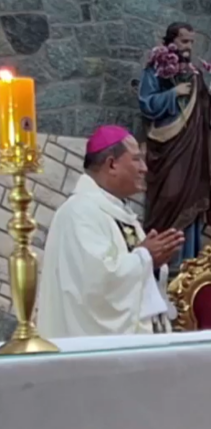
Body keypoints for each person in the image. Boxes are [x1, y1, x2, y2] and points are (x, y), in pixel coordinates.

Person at [37, 125, 185, 338]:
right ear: (112, 164)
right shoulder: (80, 212)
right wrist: (146, 257)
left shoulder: (117, 212)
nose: (144, 168)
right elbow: (97, 285)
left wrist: (154, 261)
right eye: (136, 159)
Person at [138, 22, 211, 271]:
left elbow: (203, 107)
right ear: (171, 42)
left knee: (191, 196)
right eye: (184, 41)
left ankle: (190, 262)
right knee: (170, 195)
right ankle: (167, 262)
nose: (188, 47)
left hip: (192, 146)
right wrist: (174, 93)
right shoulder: (157, 70)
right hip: (167, 146)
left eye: (191, 42)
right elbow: (146, 103)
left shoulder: (194, 73)